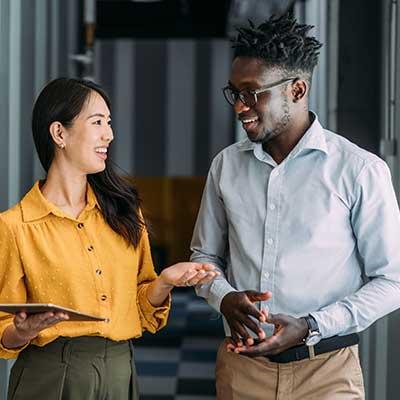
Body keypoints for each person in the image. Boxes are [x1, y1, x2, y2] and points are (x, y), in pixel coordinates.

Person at [190, 12, 400, 400]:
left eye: (252, 93)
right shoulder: (226, 166)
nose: (239, 106)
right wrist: (224, 296)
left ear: (297, 90)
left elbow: (392, 281)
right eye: (234, 93)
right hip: (243, 370)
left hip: (328, 372)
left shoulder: (359, 171)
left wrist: (312, 325)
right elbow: (203, 257)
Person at [0, 77, 219, 400]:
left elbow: (141, 309)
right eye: (98, 122)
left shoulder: (125, 211)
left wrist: (164, 282)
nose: (109, 134)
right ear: (59, 133)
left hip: (120, 369)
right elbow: (3, 328)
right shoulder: (15, 226)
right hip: (51, 376)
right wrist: (21, 331)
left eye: (109, 122)